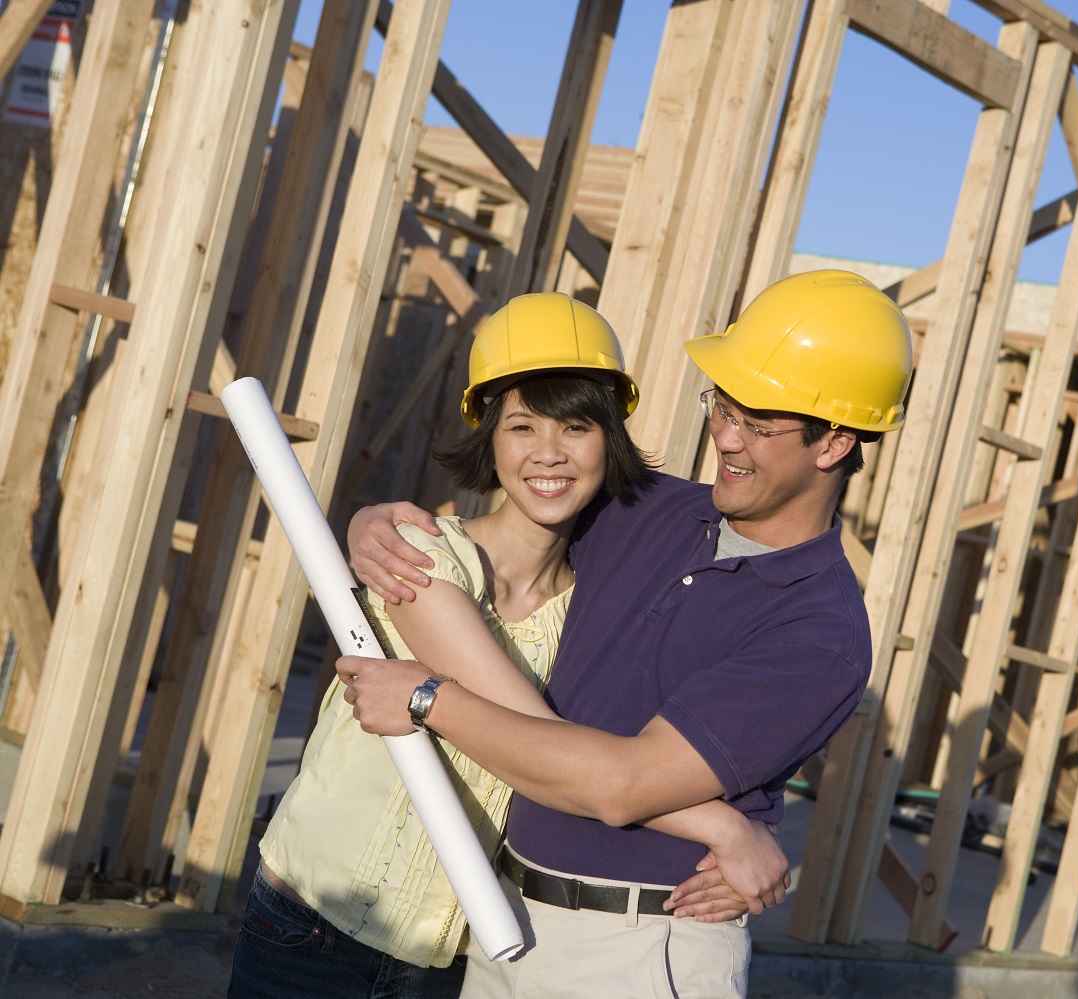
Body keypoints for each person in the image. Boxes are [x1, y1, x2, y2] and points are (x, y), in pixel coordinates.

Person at [341, 269, 913, 998]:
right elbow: (508, 514)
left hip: (641, 950)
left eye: (757, 425)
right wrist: (375, 524)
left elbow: (621, 786)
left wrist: (428, 700)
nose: (726, 439)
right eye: (722, 407)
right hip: (504, 925)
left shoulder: (819, 634)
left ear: (834, 442)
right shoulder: (648, 508)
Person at [228, 293, 787, 999]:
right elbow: (550, 744)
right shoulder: (422, 557)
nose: (548, 453)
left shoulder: (592, 607)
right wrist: (725, 828)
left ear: (608, 439)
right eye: (522, 426)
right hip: (310, 926)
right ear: (489, 437)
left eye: (577, 426)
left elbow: (583, 758)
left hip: (454, 950)